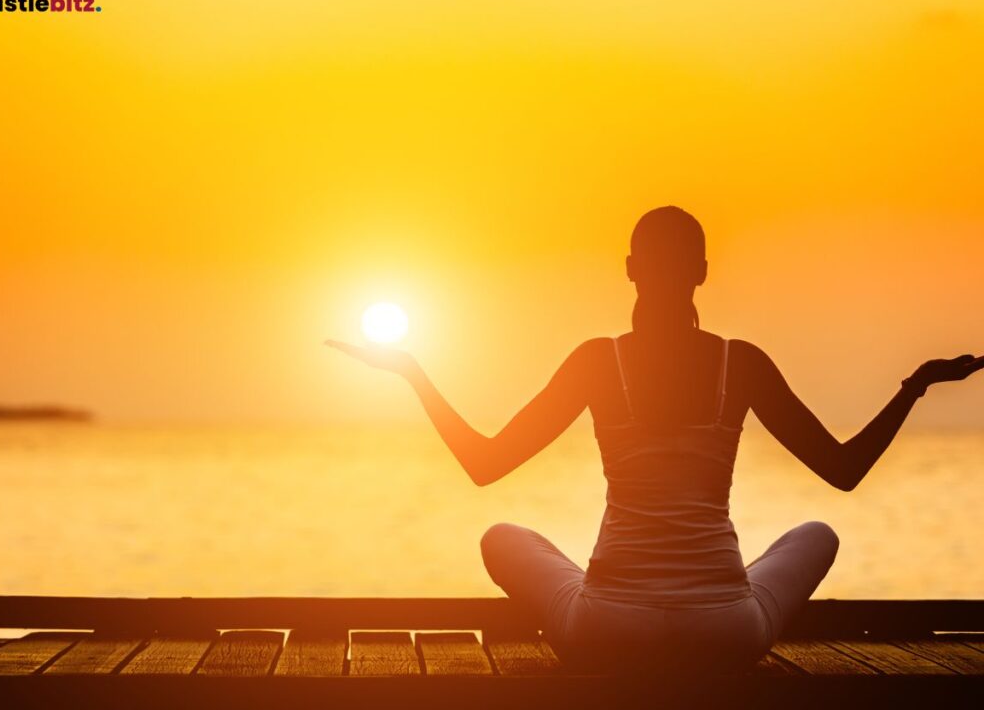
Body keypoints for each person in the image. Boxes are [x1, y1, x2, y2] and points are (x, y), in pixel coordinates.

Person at [326, 206, 983, 674]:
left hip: (607, 629)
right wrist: (914, 387)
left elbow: (484, 463)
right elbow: (844, 469)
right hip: (725, 632)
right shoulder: (740, 363)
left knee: (502, 537)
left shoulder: (597, 361)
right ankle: (712, 591)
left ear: (631, 269)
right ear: (702, 272)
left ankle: (629, 591)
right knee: (818, 534)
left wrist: (413, 374)